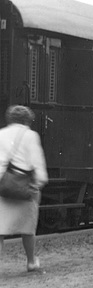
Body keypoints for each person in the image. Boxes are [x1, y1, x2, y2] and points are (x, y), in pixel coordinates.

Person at [0, 105, 48, 272]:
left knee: (0, 229)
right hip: (24, 188)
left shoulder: (1, 134)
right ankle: (31, 261)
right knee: (28, 228)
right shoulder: (30, 135)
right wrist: (39, 182)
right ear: (27, 120)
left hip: (2, 188)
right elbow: (37, 162)